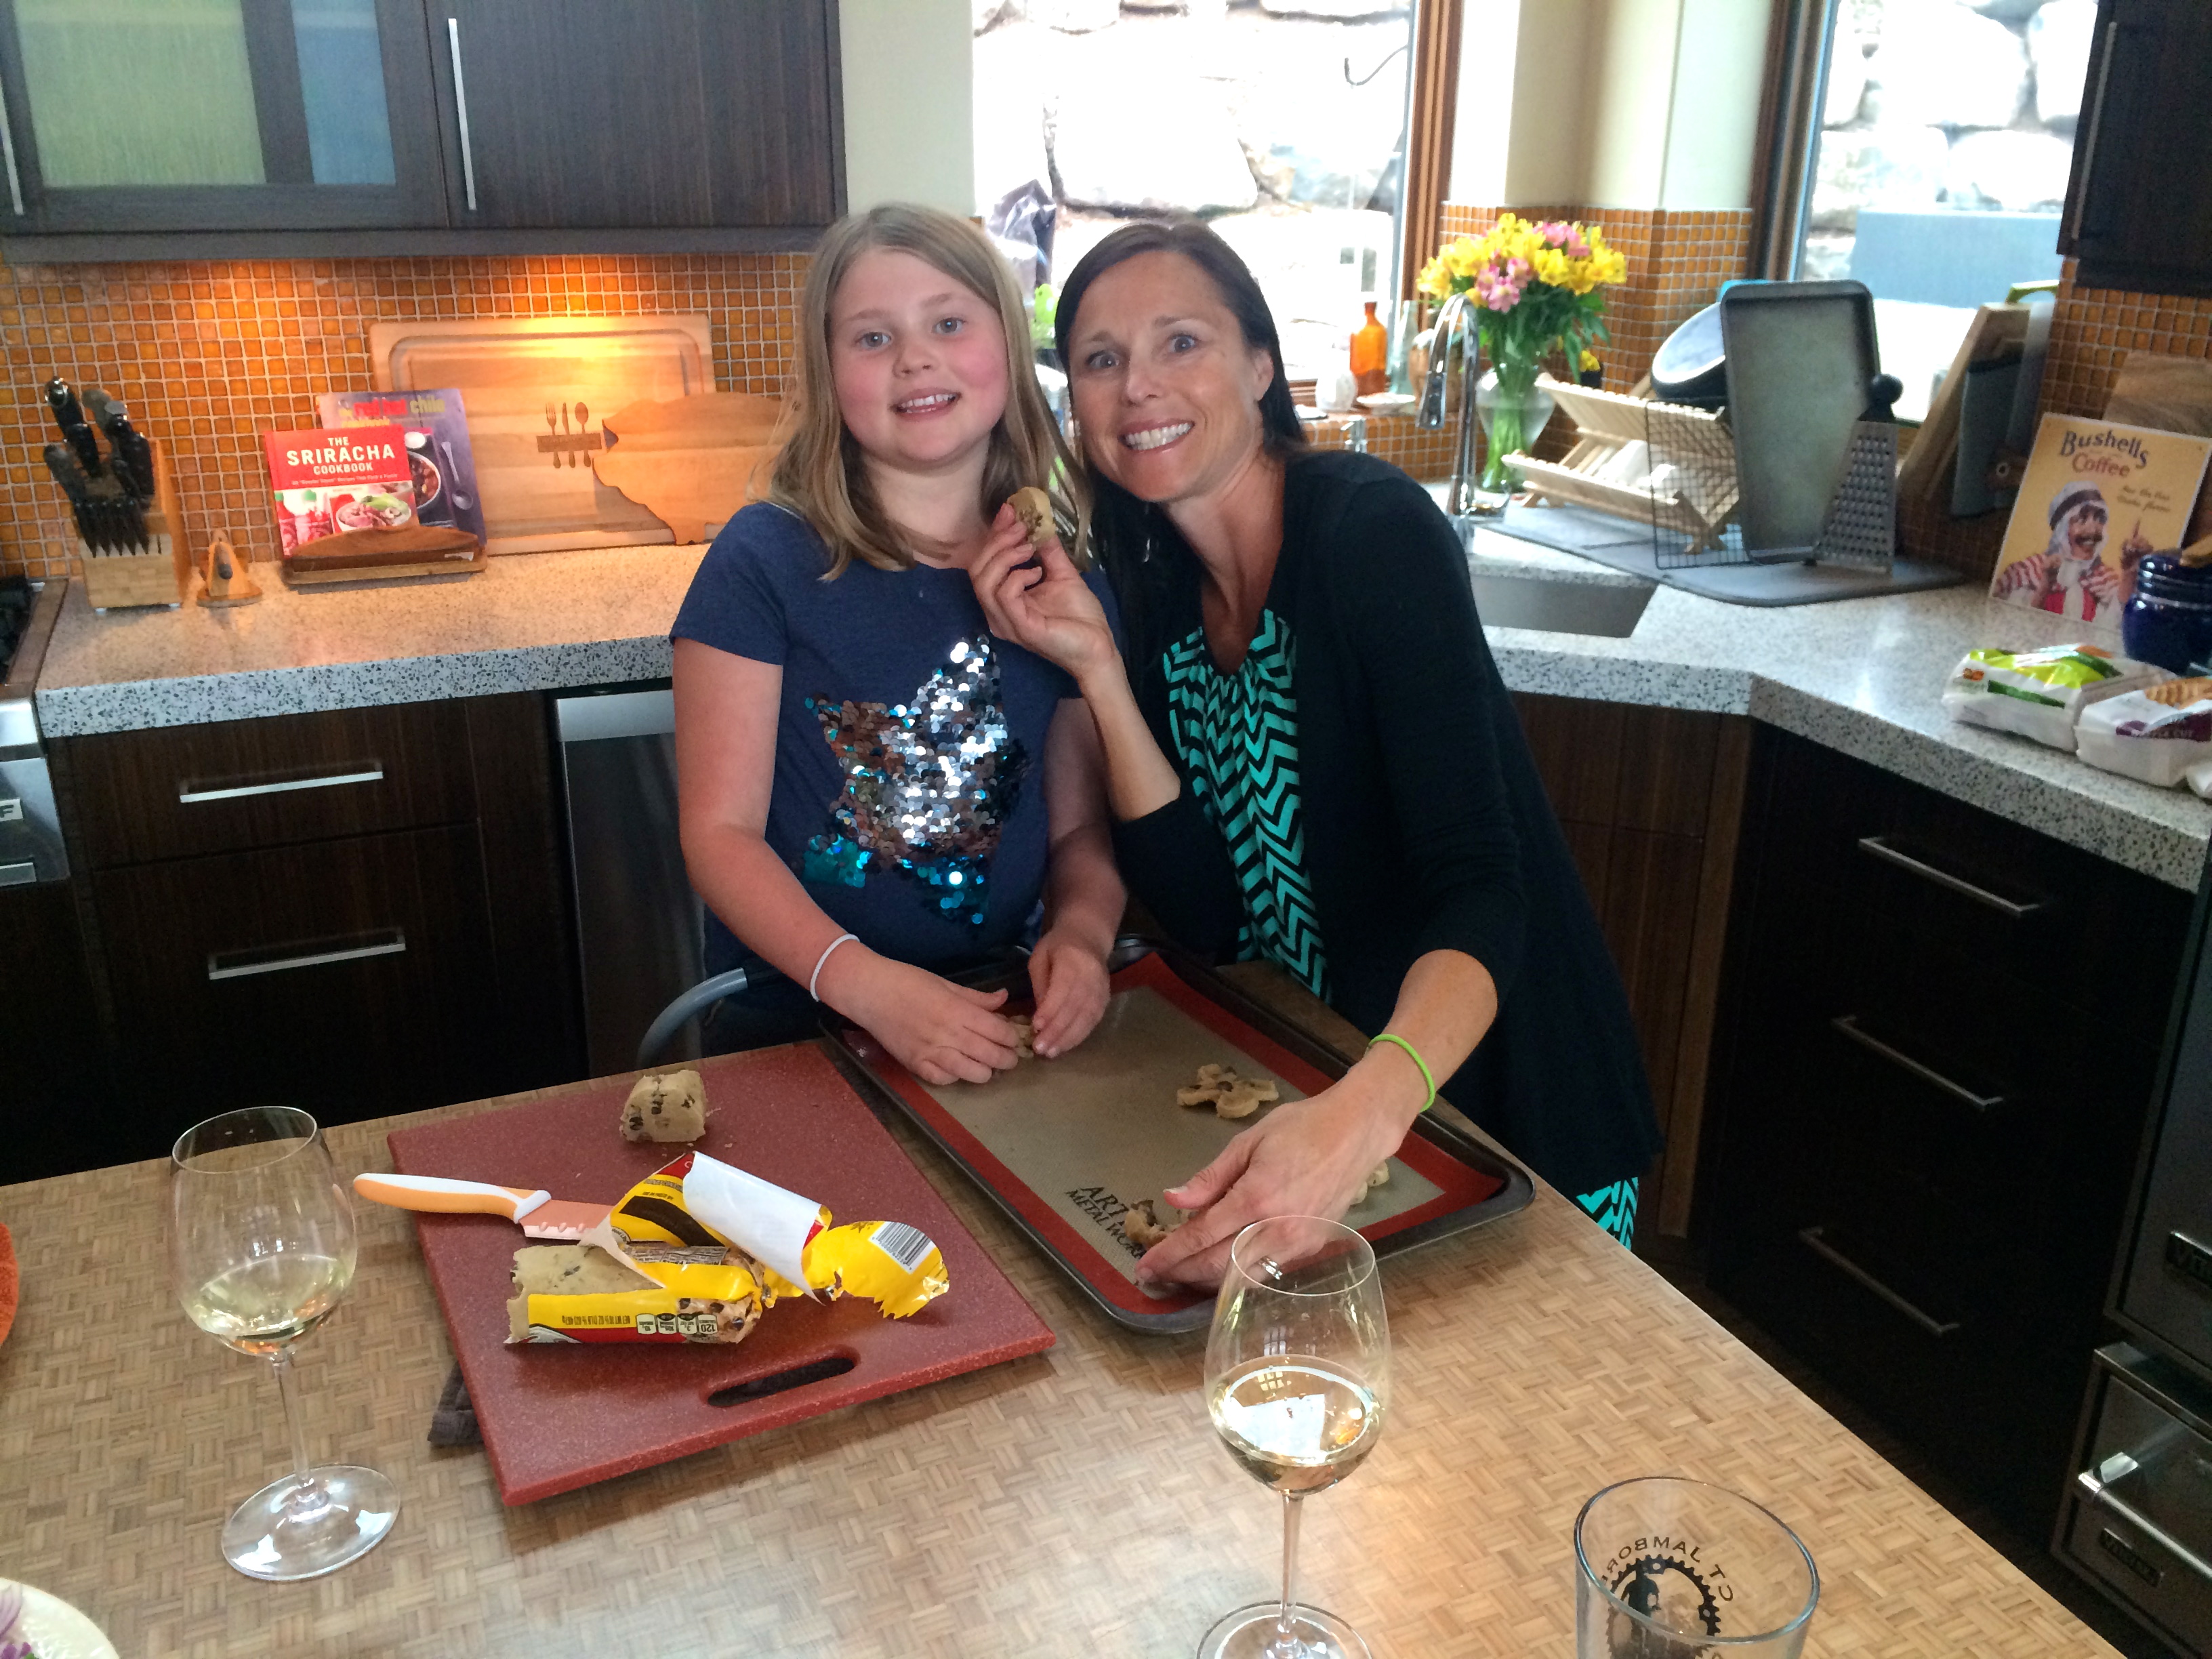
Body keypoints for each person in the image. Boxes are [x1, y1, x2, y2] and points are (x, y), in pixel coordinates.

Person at [968, 221, 1660, 1285]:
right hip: (1331, 1115)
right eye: (1102, 359)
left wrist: (1364, 1112)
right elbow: (1211, 916)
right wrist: (1099, 670)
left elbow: (1485, 888)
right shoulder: (1152, 587)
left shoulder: (1369, 534)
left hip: (1512, 1115)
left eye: (1181, 342)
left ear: (1260, 365)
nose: (1139, 386)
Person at [671, 204, 1124, 1086]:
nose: (915, 358)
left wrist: (1082, 934)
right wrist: (869, 989)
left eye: (948, 324)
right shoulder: (763, 560)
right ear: (828, 374)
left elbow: (1079, 830)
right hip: (795, 1016)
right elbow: (719, 837)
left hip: (999, 1008)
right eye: (873, 338)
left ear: (1008, 345)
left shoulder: (1062, 576)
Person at [1994, 480, 2152, 621]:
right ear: (2062, 529)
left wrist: (2129, 575)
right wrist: (2046, 583)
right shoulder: (2026, 573)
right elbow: (2016, 624)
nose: (2093, 529)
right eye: (2082, 519)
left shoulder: (2105, 580)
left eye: (2099, 519)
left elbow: (2113, 627)